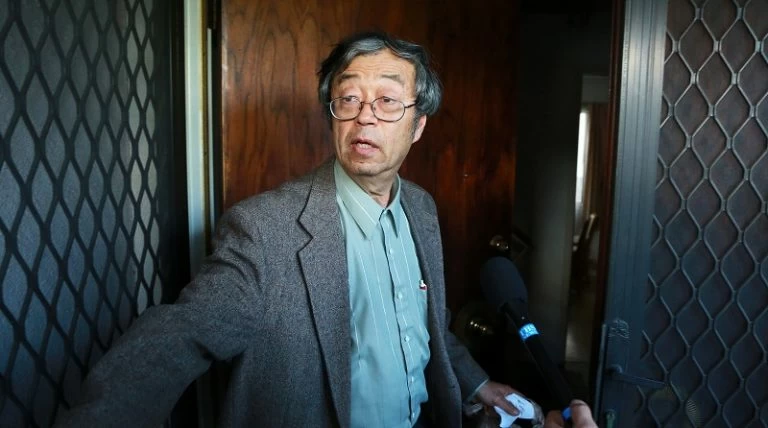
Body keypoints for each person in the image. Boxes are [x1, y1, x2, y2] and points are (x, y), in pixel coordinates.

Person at [55, 32, 520, 427]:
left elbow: (424, 324)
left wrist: (477, 383)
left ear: (417, 126)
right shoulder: (264, 229)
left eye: (387, 101)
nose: (365, 116)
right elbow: (179, 336)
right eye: (349, 98)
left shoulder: (420, 208)